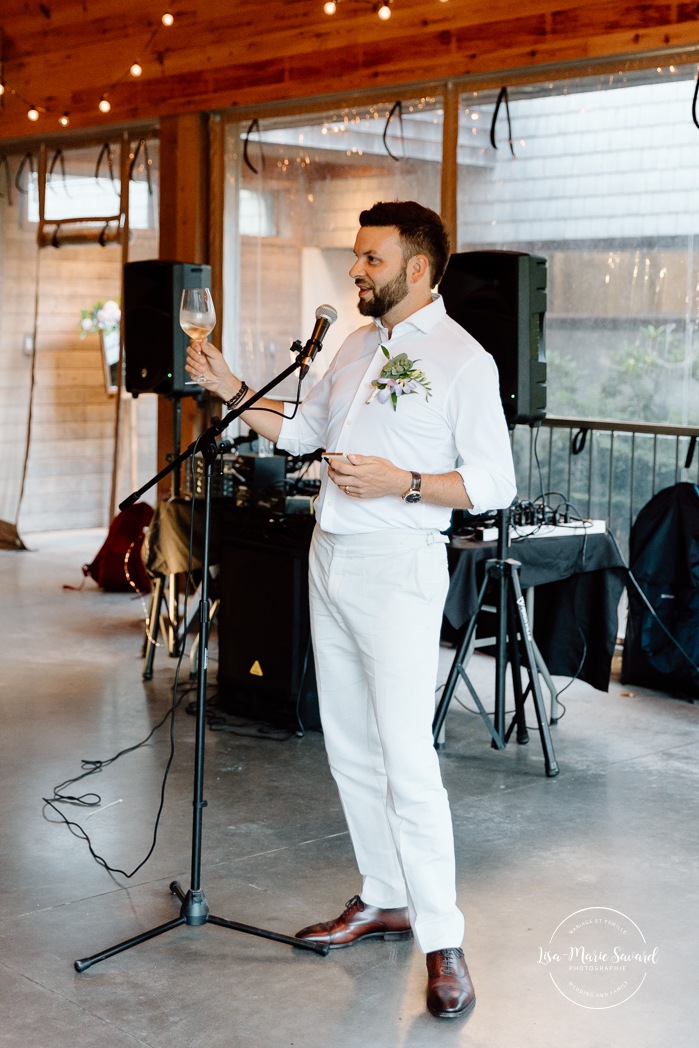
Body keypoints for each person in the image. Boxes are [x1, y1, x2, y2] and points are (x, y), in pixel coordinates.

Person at [185, 200, 517, 1019]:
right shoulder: (357, 343)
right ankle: (383, 895)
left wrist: (401, 483)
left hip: (399, 565)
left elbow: (494, 484)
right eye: (357, 257)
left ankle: (443, 939)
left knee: (405, 756)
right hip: (329, 556)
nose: (356, 271)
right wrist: (231, 387)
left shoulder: (463, 361)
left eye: (371, 259)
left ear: (417, 267)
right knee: (351, 748)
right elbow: (304, 433)